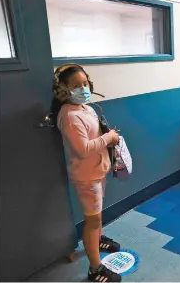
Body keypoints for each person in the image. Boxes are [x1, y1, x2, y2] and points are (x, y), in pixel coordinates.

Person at [51, 64, 122, 282]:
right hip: (86, 177)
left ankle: (98, 239)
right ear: (63, 89)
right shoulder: (69, 116)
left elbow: (96, 136)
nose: (83, 88)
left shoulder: (86, 108)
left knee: (97, 216)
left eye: (84, 84)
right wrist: (108, 138)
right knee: (92, 221)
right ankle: (95, 268)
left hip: (98, 171)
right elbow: (82, 149)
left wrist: (109, 138)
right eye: (76, 86)